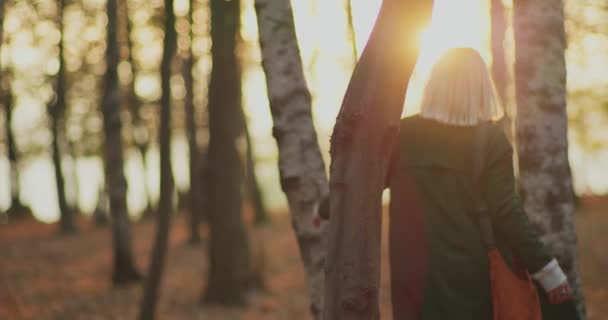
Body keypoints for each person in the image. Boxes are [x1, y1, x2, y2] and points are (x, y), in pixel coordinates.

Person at [320, 47, 578, 319]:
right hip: (472, 277)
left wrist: (325, 208)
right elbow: (506, 212)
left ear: (434, 85)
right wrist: (548, 271)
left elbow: (362, 185)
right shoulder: (489, 141)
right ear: (481, 88)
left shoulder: (403, 135)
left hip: (412, 279)